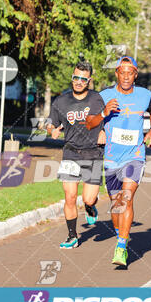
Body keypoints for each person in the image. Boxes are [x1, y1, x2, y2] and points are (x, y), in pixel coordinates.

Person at [86, 56, 151, 266]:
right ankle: (123, 234)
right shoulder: (105, 95)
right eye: (122, 72)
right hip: (111, 158)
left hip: (134, 156)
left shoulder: (145, 95)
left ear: (135, 74)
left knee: (126, 198)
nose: (126, 76)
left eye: (131, 72)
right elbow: (89, 123)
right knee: (116, 205)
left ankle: (121, 246)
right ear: (117, 73)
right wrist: (103, 114)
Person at [47, 59, 106, 249]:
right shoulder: (61, 101)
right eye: (76, 78)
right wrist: (52, 130)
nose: (79, 82)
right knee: (70, 196)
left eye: (83, 79)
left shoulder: (96, 99)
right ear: (72, 78)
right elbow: (51, 123)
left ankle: (90, 206)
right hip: (71, 152)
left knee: (88, 198)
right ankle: (72, 236)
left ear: (89, 81)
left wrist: (104, 131)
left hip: (93, 153)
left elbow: (106, 119)